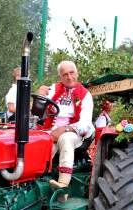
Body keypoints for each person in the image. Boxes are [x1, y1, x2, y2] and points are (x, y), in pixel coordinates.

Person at [37, 61, 94, 189]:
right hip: (51, 130)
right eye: (65, 74)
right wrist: (40, 95)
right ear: (60, 77)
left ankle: (63, 183)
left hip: (76, 132)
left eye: (71, 73)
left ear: (77, 73)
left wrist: (64, 129)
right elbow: (37, 111)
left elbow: (85, 124)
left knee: (65, 138)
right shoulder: (53, 89)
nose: (69, 77)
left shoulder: (85, 95)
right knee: (37, 140)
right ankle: (32, 181)